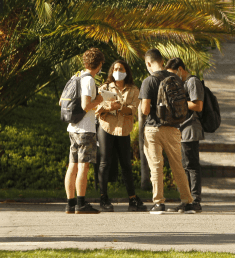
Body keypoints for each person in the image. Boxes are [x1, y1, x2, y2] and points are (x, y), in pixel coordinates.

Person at [139, 48, 195, 214]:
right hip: (173, 128)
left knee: (156, 166)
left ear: (149, 63)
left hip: (153, 129)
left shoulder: (148, 81)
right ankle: (187, 202)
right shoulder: (175, 78)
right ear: (162, 61)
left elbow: (145, 110)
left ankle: (159, 203)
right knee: (178, 165)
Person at [95, 59, 147, 212]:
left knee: (126, 165)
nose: (118, 71)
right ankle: (103, 198)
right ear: (111, 71)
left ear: (126, 71)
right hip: (106, 128)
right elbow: (96, 108)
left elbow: (133, 109)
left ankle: (132, 199)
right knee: (104, 163)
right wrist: (108, 106)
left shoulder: (133, 89)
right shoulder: (104, 88)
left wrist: (120, 107)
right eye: (115, 68)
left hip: (124, 130)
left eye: (121, 68)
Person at [63, 47, 105, 214]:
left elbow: (62, 102)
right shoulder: (88, 80)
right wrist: (99, 100)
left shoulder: (75, 77)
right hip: (85, 130)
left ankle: (70, 203)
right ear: (99, 64)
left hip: (72, 128)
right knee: (83, 167)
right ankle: (81, 204)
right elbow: (86, 105)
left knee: (72, 166)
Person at [166, 57, 204, 213]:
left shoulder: (192, 82)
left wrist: (177, 102)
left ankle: (195, 200)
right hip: (180, 129)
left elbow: (198, 105)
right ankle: (185, 200)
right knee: (183, 166)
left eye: (173, 74)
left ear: (180, 70)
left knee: (191, 165)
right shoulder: (180, 84)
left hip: (190, 128)